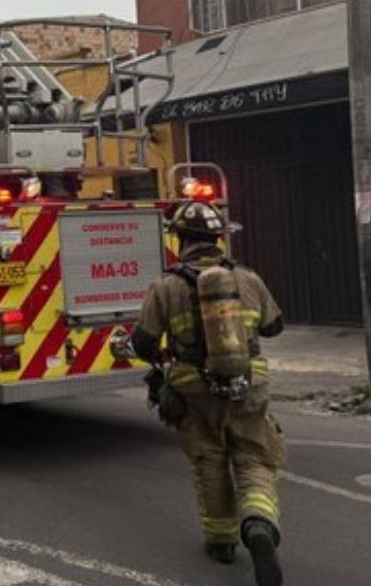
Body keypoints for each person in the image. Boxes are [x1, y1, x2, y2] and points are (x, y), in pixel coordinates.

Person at [117, 201, 286, 586]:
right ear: (218, 238)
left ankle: (221, 540)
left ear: (180, 240)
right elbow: (274, 327)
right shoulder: (248, 277)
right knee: (254, 457)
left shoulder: (167, 286)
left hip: (194, 387)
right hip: (249, 382)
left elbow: (143, 343)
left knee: (209, 458)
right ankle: (259, 524)